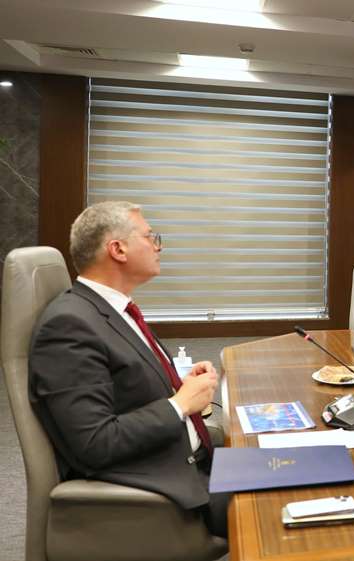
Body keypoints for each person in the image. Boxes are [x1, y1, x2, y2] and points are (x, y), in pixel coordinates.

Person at [28, 201, 228, 538]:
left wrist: (179, 385)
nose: (158, 246)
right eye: (150, 237)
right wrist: (179, 404)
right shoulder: (68, 325)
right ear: (118, 249)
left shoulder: (112, 309)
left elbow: (125, 384)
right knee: (295, 500)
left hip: (190, 458)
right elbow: (95, 442)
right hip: (170, 484)